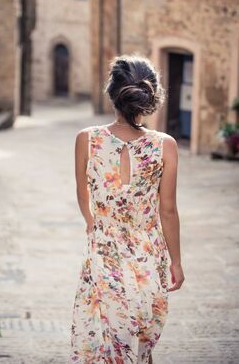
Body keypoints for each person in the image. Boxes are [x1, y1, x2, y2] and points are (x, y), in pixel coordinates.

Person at [70, 55, 185, 363]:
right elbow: (169, 210)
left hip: (104, 249)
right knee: (141, 335)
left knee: (107, 335)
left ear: (112, 93)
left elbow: (82, 193)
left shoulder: (87, 139)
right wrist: (176, 262)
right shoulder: (166, 145)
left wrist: (92, 222)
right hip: (148, 253)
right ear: (149, 98)